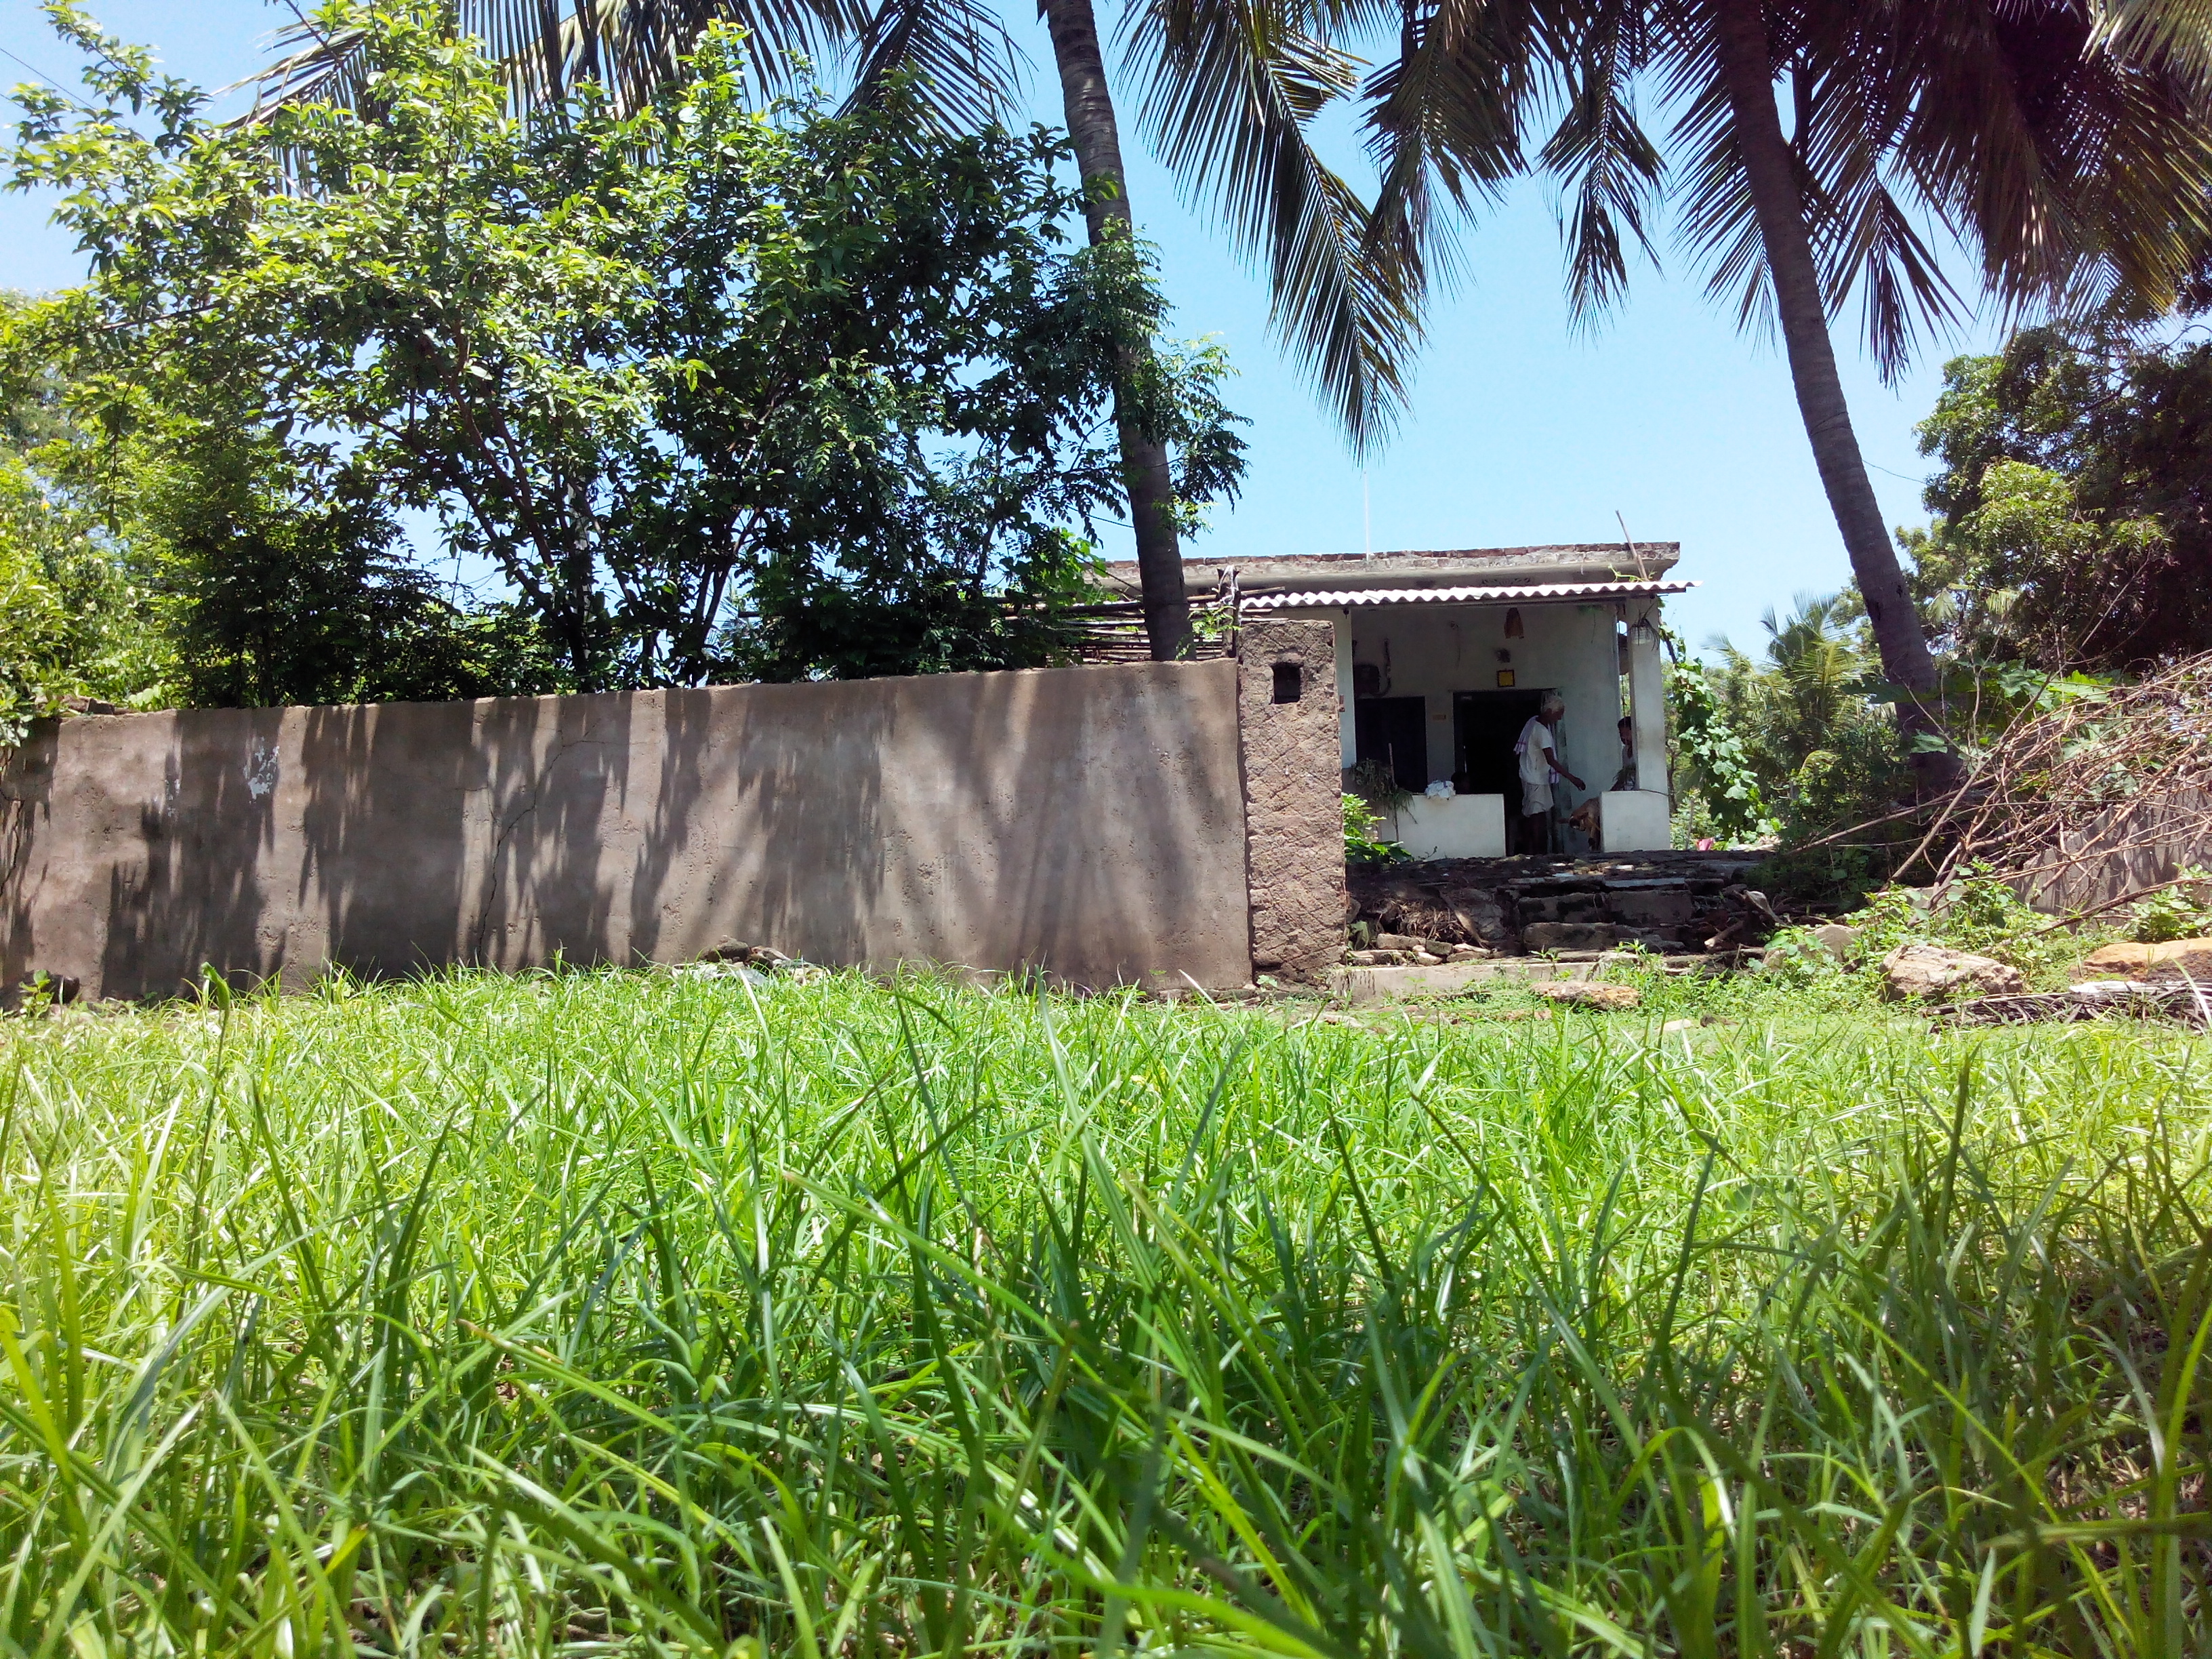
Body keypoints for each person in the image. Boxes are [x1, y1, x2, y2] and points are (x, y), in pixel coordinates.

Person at [1513, 695, 1583, 854]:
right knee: (1537, 817)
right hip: (1535, 778)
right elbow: (1551, 760)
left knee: (1534, 815)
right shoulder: (1541, 731)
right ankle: (1538, 854)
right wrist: (1573, 779)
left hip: (1532, 776)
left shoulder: (1533, 722)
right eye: (1559, 714)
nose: (1559, 718)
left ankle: (1529, 850)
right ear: (1551, 711)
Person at [1612, 714, 1637, 792]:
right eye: (1621, 734)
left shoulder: (1641, 752)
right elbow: (1623, 778)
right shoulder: (1625, 751)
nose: (1623, 737)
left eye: (1626, 734)